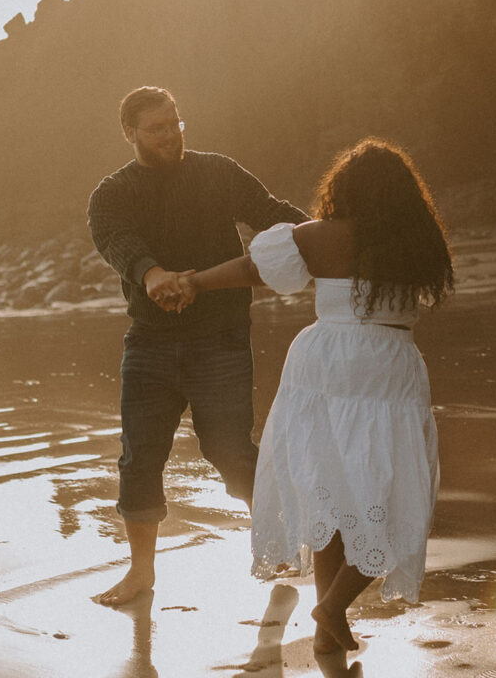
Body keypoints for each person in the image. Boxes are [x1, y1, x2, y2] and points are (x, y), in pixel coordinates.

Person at [172, 138, 454, 654]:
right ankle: (330, 614)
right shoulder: (416, 239)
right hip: (386, 366)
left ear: (342, 188)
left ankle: (329, 621)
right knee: (393, 497)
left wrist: (194, 282)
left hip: (322, 361)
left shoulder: (318, 237)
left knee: (326, 493)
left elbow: (250, 271)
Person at [87, 86, 308, 606]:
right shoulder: (111, 194)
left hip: (221, 339)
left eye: (175, 124)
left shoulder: (218, 172)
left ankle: (277, 547)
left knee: (230, 450)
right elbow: (120, 245)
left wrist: (329, 231)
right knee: (140, 459)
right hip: (149, 344)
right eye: (156, 129)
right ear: (130, 134)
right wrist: (155, 275)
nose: (170, 136)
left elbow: (272, 212)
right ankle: (141, 573)